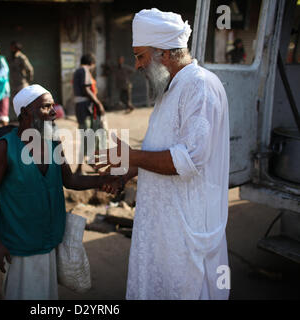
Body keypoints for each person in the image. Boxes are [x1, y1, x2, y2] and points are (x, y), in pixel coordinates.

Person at [97, 8, 230, 300]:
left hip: (187, 227)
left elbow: (189, 159)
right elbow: (160, 153)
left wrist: (132, 156)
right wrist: (127, 172)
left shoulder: (200, 86)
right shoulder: (170, 89)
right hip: (163, 226)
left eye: (141, 56)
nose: (138, 65)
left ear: (163, 53)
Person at [0, 84, 119, 300]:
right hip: (19, 246)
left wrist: (102, 180)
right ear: (25, 112)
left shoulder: (53, 144)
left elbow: (70, 180)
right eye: (46, 107)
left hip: (51, 240)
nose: (55, 113)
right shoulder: (5, 148)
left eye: (53, 106)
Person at [73, 53, 106, 175]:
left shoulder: (79, 71)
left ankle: (91, 163)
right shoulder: (84, 70)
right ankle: (79, 169)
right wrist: (99, 104)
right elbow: (87, 89)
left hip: (84, 109)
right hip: (84, 109)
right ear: (91, 63)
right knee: (86, 137)